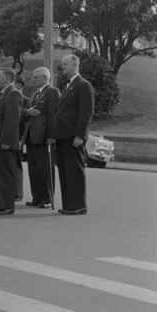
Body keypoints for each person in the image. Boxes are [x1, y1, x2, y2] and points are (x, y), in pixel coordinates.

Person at [52, 54, 95, 215]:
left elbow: (86, 113)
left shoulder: (83, 85)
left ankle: (78, 205)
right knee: (64, 171)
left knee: (74, 171)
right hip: (62, 136)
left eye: (66, 64)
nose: (63, 67)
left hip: (72, 136)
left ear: (75, 65)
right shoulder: (68, 85)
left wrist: (80, 135)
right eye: (62, 64)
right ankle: (69, 204)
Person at [0, 67, 23, 215]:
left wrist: (6, 140)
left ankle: (6, 205)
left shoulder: (13, 93)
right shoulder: (3, 94)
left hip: (3, 143)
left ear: (7, 78)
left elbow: (12, 120)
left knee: (5, 175)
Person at [22, 67, 60, 209]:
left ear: (45, 77)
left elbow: (53, 115)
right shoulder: (34, 94)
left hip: (44, 136)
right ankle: (36, 196)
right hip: (31, 135)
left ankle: (47, 198)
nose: (33, 80)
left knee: (45, 169)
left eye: (35, 77)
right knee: (33, 168)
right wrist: (27, 112)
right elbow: (26, 110)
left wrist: (51, 135)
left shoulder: (52, 92)